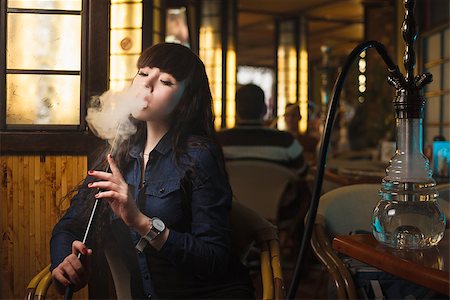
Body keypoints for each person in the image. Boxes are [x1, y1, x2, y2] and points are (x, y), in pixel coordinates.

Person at [50, 43, 254, 299]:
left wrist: (140, 222)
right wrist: (64, 259)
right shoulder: (118, 152)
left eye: (166, 82)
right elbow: (72, 224)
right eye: (144, 73)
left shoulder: (199, 155)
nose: (148, 84)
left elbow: (214, 259)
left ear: (184, 102)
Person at [218, 84, 308, 176]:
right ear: (265, 109)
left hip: (231, 190)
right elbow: (302, 172)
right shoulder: (286, 141)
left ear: (236, 111)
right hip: (275, 190)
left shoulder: (218, 141)